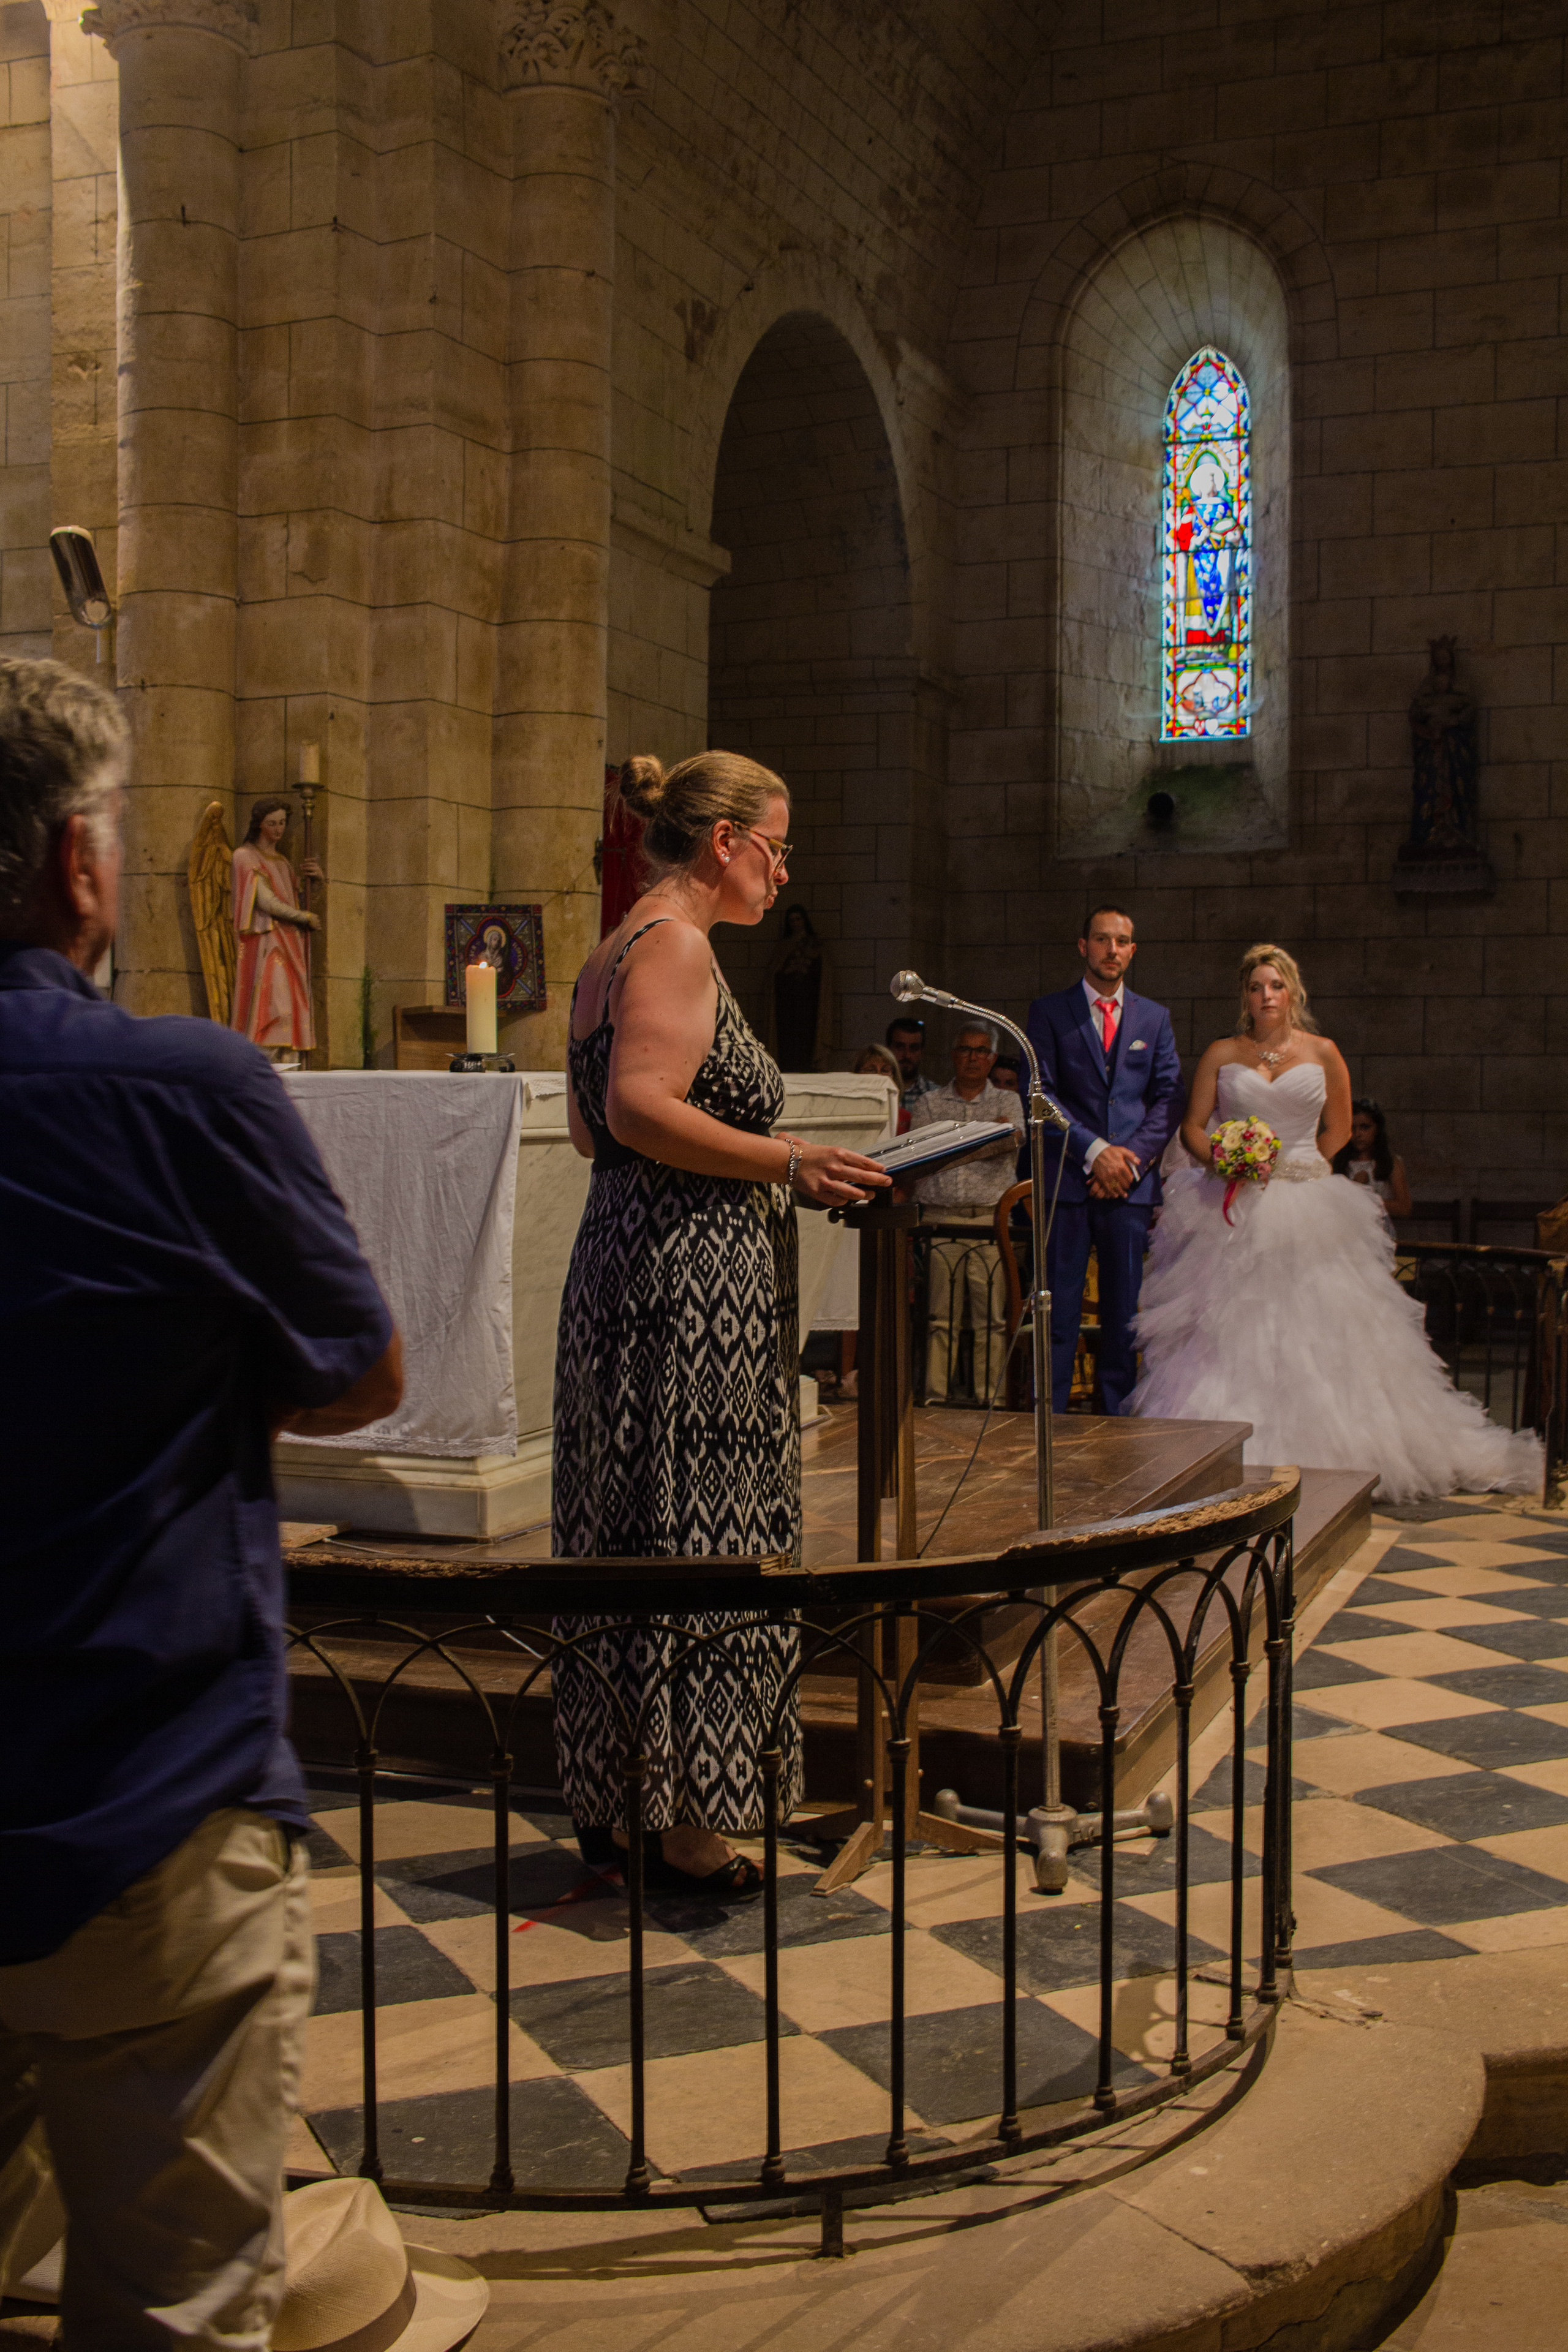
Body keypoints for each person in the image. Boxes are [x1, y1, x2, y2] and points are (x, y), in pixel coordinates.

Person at [0, 658, 401, 2345]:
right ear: (82, 867)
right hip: (140, 1802)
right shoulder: (181, 1089)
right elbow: (364, 1366)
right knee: (171, 2308)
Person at [552, 750, 890, 1897]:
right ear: (724, 841)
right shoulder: (681, 946)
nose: (784, 869)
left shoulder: (611, 952)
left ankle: (622, 1799)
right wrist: (788, 1161)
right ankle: (692, 1828)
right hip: (692, 1297)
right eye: (777, 845)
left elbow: (592, 1134)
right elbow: (637, 1110)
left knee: (629, 1533)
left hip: (624, 1271)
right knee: (701, 1539)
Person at [1128, 943, 1540, 1500]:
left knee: (1320, 1326)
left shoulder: (1323, 1051)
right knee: (1231, 1328)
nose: (1266, 996)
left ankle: (1334, 1451)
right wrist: (1226, 1160)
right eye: (1256, 987)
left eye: (1276, 985)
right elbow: (1193, 1128)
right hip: (1233, 1201)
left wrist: (1300, 1167)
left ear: (1293, 991)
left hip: (1305, 1200)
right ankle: (1232, 1446)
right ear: (1244, 996)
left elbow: (1340, 1130)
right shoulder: (1224, 1052)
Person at [1024, 903, 1183, 1412]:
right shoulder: (1050, 1011)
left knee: (1123, 1316)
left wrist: (1129, 1161)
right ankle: (1047, 1423)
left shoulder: (1153, 1018)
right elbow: (1041, 1093)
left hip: (1129, 1189)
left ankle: (1117, 1422)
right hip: (1069, 1182)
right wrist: (1095, 1152)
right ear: (1083, 946)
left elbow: (1168, 1098)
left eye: (1121, 942)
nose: (1111, 950)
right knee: (1060, 1313)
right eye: (1101, 939)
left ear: (1132, 951)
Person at [908, 1022, 1025, 1403]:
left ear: (991, 1059)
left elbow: (1012, 1140)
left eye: (980, 1051)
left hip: (990, 1220)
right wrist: (986, 1135)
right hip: (941, 1219)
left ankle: (991, 1399)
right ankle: (935, 1397)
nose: (973, 1057)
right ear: (953, 1055)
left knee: (991, 1319)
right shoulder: (929, 1103)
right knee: (940, 1319)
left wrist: (954, 1140)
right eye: (965, 1049)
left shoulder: (1007, 1101)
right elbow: (926, 1157)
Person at [813, 1043, 905, 1401]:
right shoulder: (843, 1113)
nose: (878, 1075)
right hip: (845, 1204)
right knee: (839, 1291)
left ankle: (858, 1371)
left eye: (885, 1069)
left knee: (867, 1297)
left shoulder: (903, 1116)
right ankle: (833, 1369)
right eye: (870, 1067)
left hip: (880, 1208)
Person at [231, 796, 321, 1057]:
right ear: (259, 824)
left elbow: (296, 901)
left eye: (283, 823)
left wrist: (315, 882)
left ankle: (289, 1066)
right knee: (274, 1007)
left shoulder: (283, 862)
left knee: (292, 1010)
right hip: (266, 943)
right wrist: (303, 917)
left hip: (291, 942)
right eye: (272, 823)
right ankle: (264, 1064)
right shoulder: (245, 856)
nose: (279, 829)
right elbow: (267, 902)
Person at [762, 901, 832, 1070]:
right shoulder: (783, 946)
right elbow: (774, 975)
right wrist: (788, 971)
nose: (795, 923)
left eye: (798, 919)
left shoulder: (816, 945)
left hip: (809, 1003)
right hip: (787, 1004)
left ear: (805, 921)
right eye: (792, 920)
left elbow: (823, 975)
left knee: (808, 1039)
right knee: (788, 1042)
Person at [1332, 1096, 1412, 1219]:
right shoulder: (1340, 1163)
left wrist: (1367, 1197)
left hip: (1379, 1229)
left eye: (1365, 1127)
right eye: (1353, 1128)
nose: (1358, 1134)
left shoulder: (1390, 1163)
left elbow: (1404, 1208)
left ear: (1377, 1129)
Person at [886, 1011, 938, 1114]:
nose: (907, 1055)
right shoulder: (875, 1090)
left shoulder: (935, 1095)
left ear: (922, 1052)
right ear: (888, 1049)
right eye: (900, 1048)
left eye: (914, 1049)